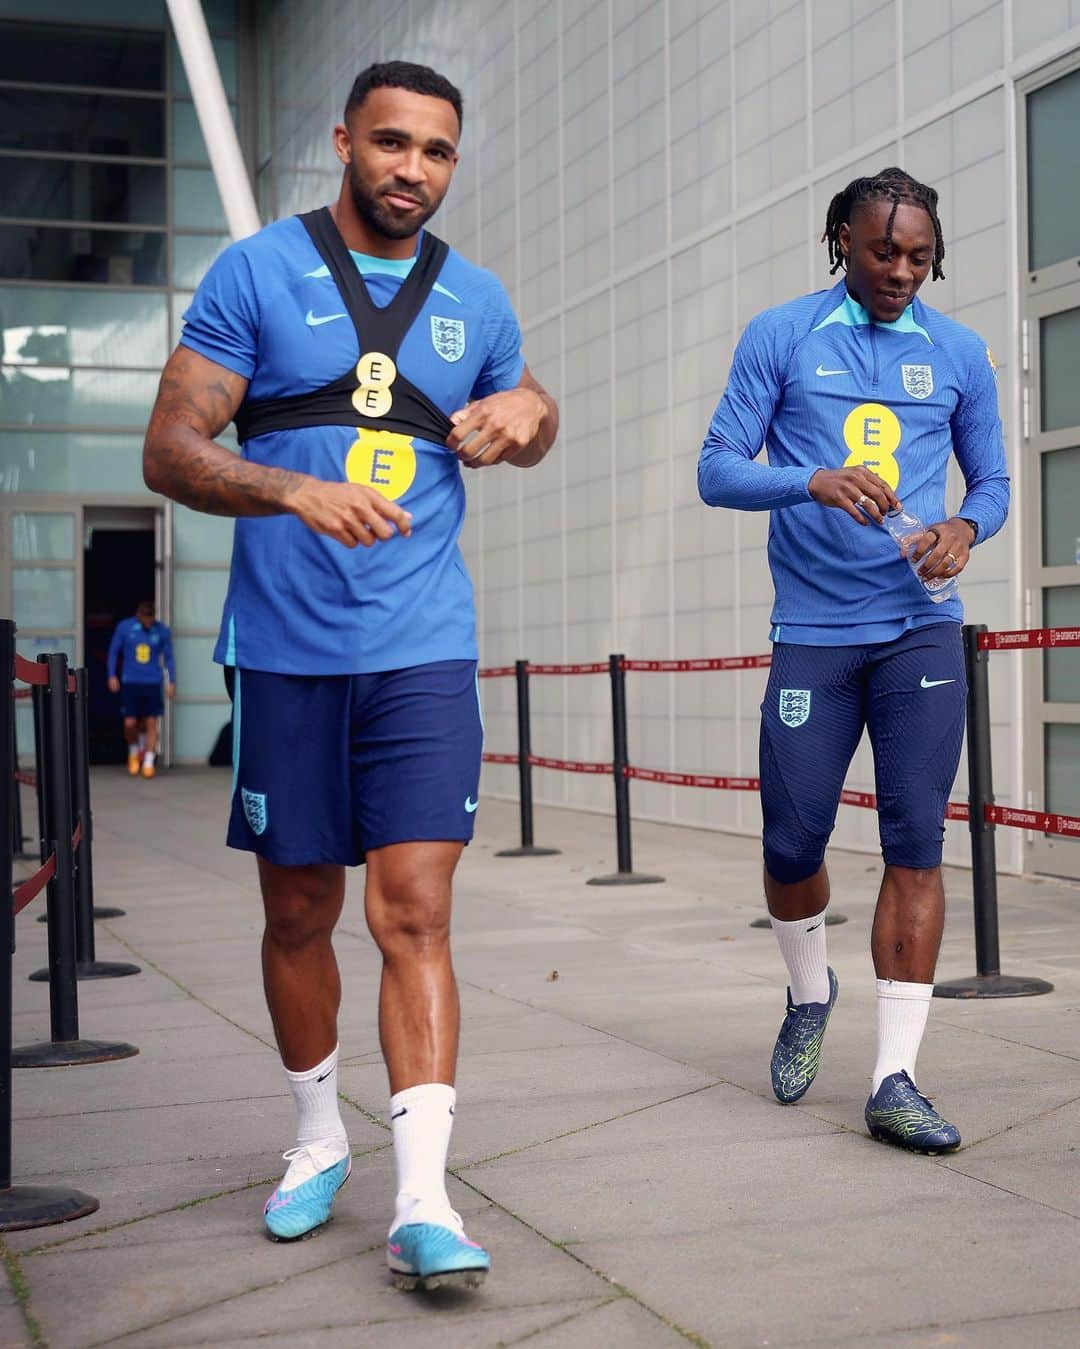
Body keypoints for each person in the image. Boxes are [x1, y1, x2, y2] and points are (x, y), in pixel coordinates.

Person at [142, 61, 557, 1289]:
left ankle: (424, 1197)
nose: (411, 171)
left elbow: (527, 419)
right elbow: (169, 446)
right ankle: (319, 1135)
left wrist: (532, 412)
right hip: (285, 653)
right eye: (391, 144)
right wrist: (286, 486)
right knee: (297, 914)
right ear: (343, 141)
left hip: (422, 647)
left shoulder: (475, 300)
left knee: (415, 913)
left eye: (435, 152)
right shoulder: (256, 273)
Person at [698, 167, 1008, 1154]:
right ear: (841, 239)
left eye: (919, 255)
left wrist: (964, 524)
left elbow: (993, 478)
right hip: (814, 634)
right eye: (883, 251)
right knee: (792, 842)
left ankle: (895, 1076)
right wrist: (810, 481)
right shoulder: (781, 335)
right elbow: (717, 469)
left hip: (920, 626)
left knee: (918, 835)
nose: (902, 271)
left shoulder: (960, 351)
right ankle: (808, 989)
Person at [106, 599, 176, 779]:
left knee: (151, 721)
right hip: (131, 681)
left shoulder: (161, 631)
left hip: (152, 681)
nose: (148, 622)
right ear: (139, 615)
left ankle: (148, 760)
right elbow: (114, 651)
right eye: (145, 618)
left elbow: (169, 657)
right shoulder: (125, 627)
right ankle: (134, 750)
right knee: (130, 722)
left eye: (151, 619)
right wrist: (112, 675)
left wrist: (172, 681)